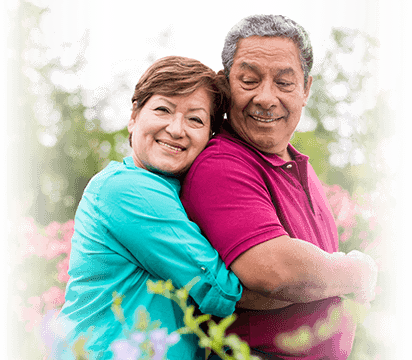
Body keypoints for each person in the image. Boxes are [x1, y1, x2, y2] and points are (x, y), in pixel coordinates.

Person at [181, 15, 378, 359]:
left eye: (285, 83)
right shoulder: (221, 164)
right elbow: (273, 270)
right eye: (249, 80)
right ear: (226, 86)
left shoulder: (294, 163)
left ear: (306, 90)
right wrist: (354, 272)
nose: (266, 98)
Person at [50, 56, 243, 360]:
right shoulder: (127, 189)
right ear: (133, 117)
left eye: (195, 119)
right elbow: (221, 290)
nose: (177, 129)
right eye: (163, 109)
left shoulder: (180, 194)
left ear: (210, 137)